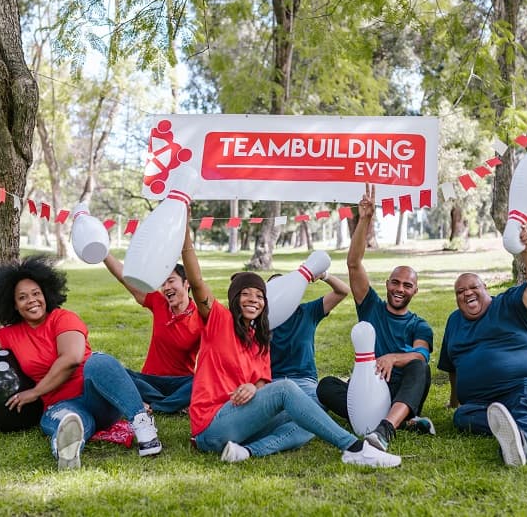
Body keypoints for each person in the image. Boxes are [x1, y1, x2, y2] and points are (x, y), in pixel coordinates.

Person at [180, 220, 401, 467]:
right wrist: (185, 235)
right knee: (285, 389)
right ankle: (355, 448)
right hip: (211, 426)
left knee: (307, 419)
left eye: (259, 296)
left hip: (239, 424)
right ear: (234, 298)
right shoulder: (219, 321)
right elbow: (196, 281)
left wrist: (255, 389)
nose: (254, 299)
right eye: (246, 294)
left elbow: (263, 381)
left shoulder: (260, 341)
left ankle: (247, 452)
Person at [0, 255, 162, 470]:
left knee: (99, 362)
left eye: (36, 294)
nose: (31, 300)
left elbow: (72, 359)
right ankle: (66, 447)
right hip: (60, 405)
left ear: (46, 294)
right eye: (22, 297)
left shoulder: (63, 318)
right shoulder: (12, 334)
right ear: (13, 304)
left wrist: (35, 392)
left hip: (97, 396)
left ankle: (143, 427)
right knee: (69, 420)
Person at [437, 226, 527, 467]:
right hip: (484, 403)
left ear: (486, 290)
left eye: (474, 287)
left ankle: (521, 444)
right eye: (460, 291)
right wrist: (454, 402)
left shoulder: (509, 304)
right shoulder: (454, 321)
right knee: (462, 417)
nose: (467, 293)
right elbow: (452, 366)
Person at [317, 183, 435, 452]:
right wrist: (365, 219)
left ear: (415, 290)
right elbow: (353, 264)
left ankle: (386, 428)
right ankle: (404, 421)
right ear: (387, 283)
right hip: (369, 390)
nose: (400, 289)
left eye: (407, 285)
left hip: (402, 391)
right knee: (325, 386)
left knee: (419, 368)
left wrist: (393, 358)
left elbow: (421, 356)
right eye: (396, 282)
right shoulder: (370, 307)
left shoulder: (420, 325)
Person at [103, 254, 201, 413]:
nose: (166, 287)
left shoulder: (200, 318)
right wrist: (104, 254)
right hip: (149, 381)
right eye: (163, 283)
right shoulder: (158, 302)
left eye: (171, 281)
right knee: (119, 372)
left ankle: (156, 405)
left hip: (180, 384)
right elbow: (125, 278)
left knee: (202, 380)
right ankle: (174, 404)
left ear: (186, 283)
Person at [269, 270, 350, 404]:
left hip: (304, 381)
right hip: (274, 381)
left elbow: (343, 291)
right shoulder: (262, 320)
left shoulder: (307, 312)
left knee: (315, 403)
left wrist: (325, 276)